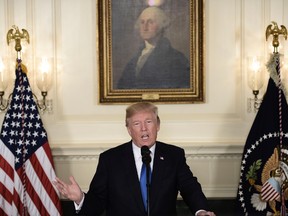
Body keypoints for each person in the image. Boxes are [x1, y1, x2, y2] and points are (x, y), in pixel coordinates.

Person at [53, 102, 216, 216]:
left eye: (149, 122)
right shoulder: (110, 160)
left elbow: (190, 188)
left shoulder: (174, 155)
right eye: (137, 123)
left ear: (158, 125)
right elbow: (98, 201)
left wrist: (201, 210)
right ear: (129, 130)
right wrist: (81, 198)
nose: (144, 128)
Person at [117, 6, 190, 89]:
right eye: (142, 22)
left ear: (161, 26)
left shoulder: (177, 59)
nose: (145, 27)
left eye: (150, 22)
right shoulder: (134, 59)